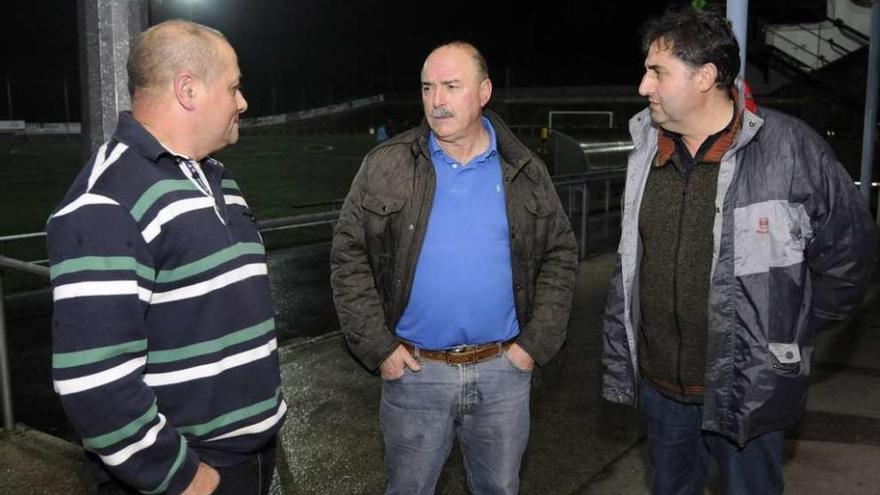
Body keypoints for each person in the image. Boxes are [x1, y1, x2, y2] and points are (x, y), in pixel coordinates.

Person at [601, 8, 877, 495]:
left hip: (750, 387)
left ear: (705, 76)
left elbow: (850, 256)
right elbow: (628, 269)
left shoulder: (791, 149)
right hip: (663, 391)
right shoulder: (645, 152)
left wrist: (791, 326)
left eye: (657, 71)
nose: (644, 86)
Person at [47, 20, 286, 495]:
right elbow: (93, 384)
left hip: (251, 459)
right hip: (192, 471)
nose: (243, 102)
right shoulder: (106, 201)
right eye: (234, 87)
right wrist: (183, 478)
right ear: (188, 90)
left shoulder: (216, 178)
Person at [330, 41, 578, 494]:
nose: (436, 101)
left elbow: (560, 255)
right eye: (427, 88)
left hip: (503, 372)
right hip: (415, 376)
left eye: (450, 86)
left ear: (483, 92)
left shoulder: (524, 169)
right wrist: (380, 350)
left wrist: (532, 347)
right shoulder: (386, 165)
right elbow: (349, 257)